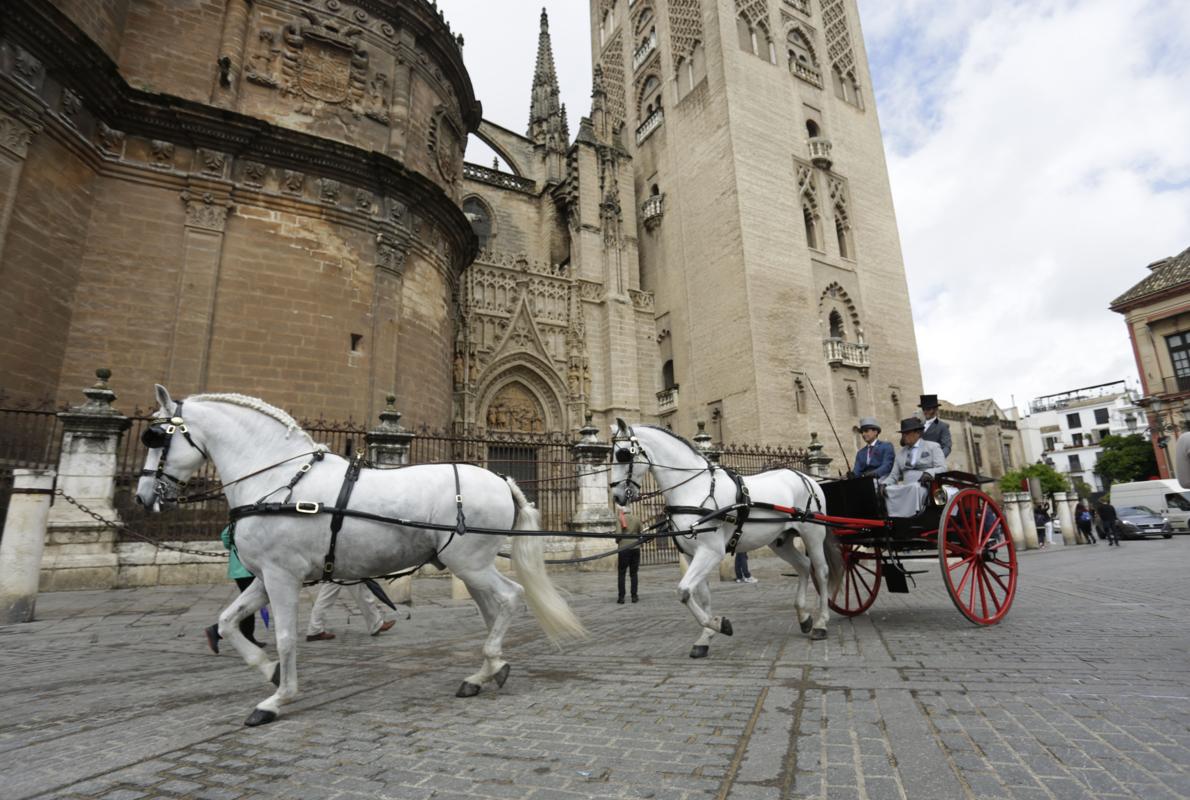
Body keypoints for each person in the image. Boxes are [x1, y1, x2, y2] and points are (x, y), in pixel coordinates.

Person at [205, 525, 265, 654]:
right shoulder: (243, 522)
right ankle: (217, 631)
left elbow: (226, 537)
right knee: (249, 604)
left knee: (250, 603)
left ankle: (248, 637)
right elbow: (225, 535)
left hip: (240, 569)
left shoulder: (240, 522)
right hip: (246, 570)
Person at [880, 417, 947, 517]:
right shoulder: (900, 454)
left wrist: (929, 473)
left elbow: (942, 468)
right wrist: (884, 484)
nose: (904, 436)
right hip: (907, 487)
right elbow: (893, 476)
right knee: (889, 490)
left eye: (907, 433)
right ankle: (895, 517)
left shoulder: (933, 447)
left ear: (918, 433)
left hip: (926, 487)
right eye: (903, 434)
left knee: (914, 488)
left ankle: (914, 515)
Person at [306, 581, 396, 640]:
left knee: (327, 594)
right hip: (342, 562)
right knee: (357, 585)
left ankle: (315, 629)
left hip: (338, 562)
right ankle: (376, 624)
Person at [615, 506, 642, 603]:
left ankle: (621, 597)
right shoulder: (637, 518)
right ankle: (634, 596)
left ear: (622, 511)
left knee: (622, 573)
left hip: (624, 549)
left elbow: (618, 534)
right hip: (635, 548)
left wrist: (617, 541)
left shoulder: (619, 518)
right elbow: (640, 532)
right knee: (634, 573)